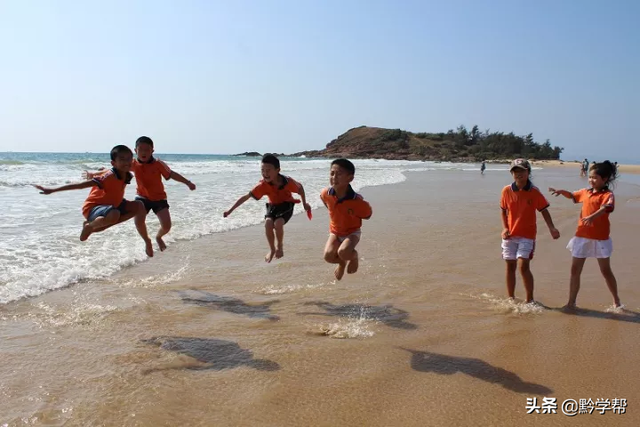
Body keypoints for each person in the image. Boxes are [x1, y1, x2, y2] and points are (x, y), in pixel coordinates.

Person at [86, 136, 197, 255]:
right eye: (141, 150)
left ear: (152, 151)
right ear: (135, 151)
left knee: (167, 226)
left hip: (159, 199)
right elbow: (114, 169)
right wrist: (94, 174)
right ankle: (147, 241)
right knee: (138, 221)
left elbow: (172, 174)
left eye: (147, 150)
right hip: (142, 197)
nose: (144, 152)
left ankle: (158, 237)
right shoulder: (132, 163)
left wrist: (188, 182)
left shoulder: (158, 164)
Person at [33, 145, 151, 253]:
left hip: (114, 205)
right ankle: (90, 226)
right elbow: (80, 185)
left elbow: (107, 171)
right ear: (113, 163)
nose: (127, 162)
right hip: (93, 207)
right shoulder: (108, 177)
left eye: (129, 158)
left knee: (139, 206)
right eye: (122, 159)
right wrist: (52, 190)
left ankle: (93, 228)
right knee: (114, 214)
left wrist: (95, 172)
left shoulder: (127, 174)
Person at [549, 161, 621, 309]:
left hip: (600, 238)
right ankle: (571, 302)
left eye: (595, 177)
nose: (591, 180)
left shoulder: (607, 194)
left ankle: (616, 301)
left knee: (605, 271)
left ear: (604, 179)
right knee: (575, 270)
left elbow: (607, 207)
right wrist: (563, 192)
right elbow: (573, 196)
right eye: (590, 177)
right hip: (581, 236)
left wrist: (593, 216)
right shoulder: (585, 192)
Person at [224, 153, 311, 262]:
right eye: (262, 170)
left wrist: (304, 204)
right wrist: (230, 211)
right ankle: (272, 249)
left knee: (278, 223)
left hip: (286, 204)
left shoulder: (288, 182)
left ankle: (280, 247)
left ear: (278, 170)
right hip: (273, 206)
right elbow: (246, 197)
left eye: (268, 170)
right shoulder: (262, 186)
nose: (265, 174)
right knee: (268, 223)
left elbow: (300, 188)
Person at [500, 158, 560, 303]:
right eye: (515, 171)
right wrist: (505, 228)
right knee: (510, 266)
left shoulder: (534, 192)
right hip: (510, 235)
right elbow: (503, 210)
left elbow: (544, 210)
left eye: (521, 171)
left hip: (527, 235)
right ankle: (511, 298)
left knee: (523, 266)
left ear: (528, 172)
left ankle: (530, 300)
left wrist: (552, 228)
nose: (518, 174)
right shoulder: (507, 190)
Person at [320, 159, 372, 280]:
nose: (334, 177)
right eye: (332, 173)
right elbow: (325, 201)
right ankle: (342, 263)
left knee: (343, 252)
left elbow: (368, 215)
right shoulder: (326, 194)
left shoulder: (357, 201)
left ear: (350, 178)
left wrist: (352, 212)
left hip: (352, 232)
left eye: (339, 174)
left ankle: (354, 257)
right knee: (328, 257)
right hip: (335, 231)